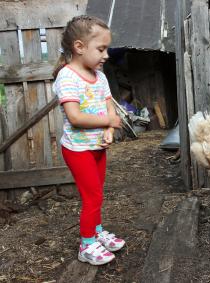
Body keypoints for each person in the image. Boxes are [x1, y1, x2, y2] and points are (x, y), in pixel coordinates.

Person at [52, 15, 125, 265]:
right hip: (78, 149)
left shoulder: (100, 76)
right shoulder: (68, 77)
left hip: (97, 147)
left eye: (107, 49)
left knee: (97, 193)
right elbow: (74, 117)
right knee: (91, 196)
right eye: (101, 49)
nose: (106, 55)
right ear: (79, 47)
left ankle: (96, 231)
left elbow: (109, 108)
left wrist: (109, 131)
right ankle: (86, 245)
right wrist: (108, 122)